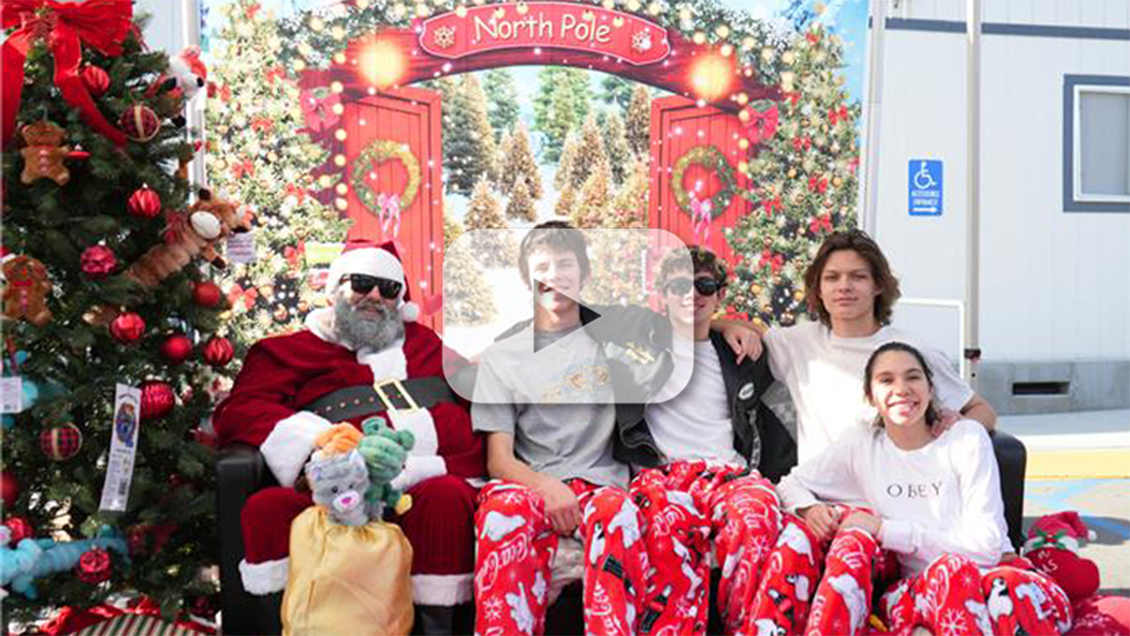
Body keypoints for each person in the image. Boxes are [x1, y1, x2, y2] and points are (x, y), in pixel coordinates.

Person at [470, 223, 759, 636]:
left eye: (565, 265)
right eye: (543, 267)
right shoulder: (503, 356)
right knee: (502, 513)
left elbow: (687, 317)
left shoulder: (618, 335)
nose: (555, 276)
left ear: (585, 275)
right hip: (531, 481)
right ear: (525, 278)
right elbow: (499, 459)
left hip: (603, 484)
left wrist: (730, 326)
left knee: (619, 513)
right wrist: (545, 487)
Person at [213, 240, 485, 636]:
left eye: (388, 289)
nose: (374, 296)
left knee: (447, 497)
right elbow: (241, 411)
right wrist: (325, 442)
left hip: (422, 479)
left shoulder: (426, 345)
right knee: (269, 508)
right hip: (331, 484)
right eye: (360, 283)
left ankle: (437, 627)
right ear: (334, 290)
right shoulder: (284, 351)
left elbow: (481, 394)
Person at [770, 342, 1072, 636]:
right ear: (871, 396)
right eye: (886, 380)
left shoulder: (966, 438)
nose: (901, 388)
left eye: (912, 377)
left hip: (994, 581)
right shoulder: (861, 444)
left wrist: (885, 530)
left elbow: (987, 547)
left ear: (930, 388)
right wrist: (809, 509)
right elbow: (790, 484)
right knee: (950, 578)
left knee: (977, 581)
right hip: (918, 591)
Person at [625, 246, 796, 636]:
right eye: (680, 285)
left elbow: (782, 417)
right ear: (663, 295)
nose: (692, 294)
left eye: (703, 285)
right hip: (665, 476)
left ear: (720, 294)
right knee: (665, 526)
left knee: (757, 514)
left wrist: (731, 328)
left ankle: (744, 628)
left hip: (728, 474)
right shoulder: (641, 347)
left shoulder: (743, 355)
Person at [761, 229, 997, 464]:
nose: (844, 286)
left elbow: (981, 410)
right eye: (832, 277)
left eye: (858, 276)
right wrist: (728, 326)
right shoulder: (796, 343)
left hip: (894, 490)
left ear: (878, 286)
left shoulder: (911, 351)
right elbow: (741, 330)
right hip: (819, 494)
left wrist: (959, 427)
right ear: (819, 289)